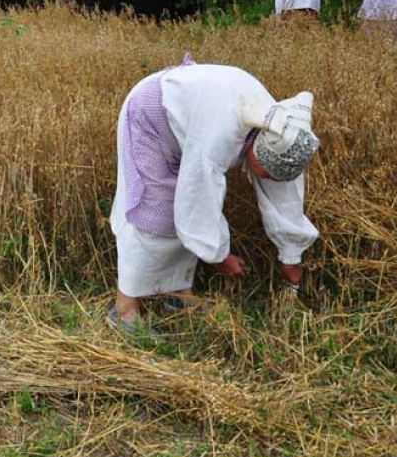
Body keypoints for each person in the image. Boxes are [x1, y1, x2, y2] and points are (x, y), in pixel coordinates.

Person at [108, 57, 320, 335]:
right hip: (151, 114)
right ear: (256, 149)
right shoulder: (221, 134)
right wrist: (219, 256)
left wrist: (291, 256)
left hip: (191, 119)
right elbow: (197, 200)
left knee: (175, 213)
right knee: (156, 212)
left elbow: (285, 196)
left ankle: (178, 295)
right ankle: (124, 309)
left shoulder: (285, 134)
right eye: (265, 172)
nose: (266, 179)